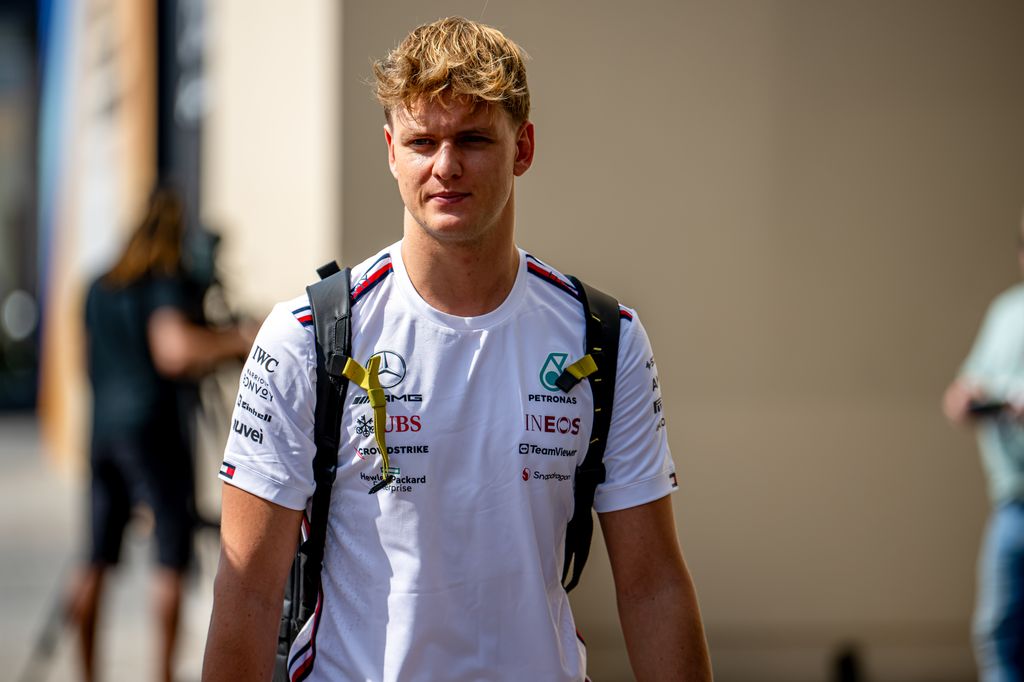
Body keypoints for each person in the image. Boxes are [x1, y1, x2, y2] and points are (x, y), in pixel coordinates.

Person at [203, 17, 712, 681]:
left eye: (473, 139)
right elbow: (248, 590)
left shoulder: (604, 338)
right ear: (391, 151)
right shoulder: (308, 338)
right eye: (422, 142)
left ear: (522, 148)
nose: (446, 165)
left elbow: (652, 586)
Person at [67, 186, 256, 682]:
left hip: (103, 430)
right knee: (170, 552)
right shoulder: (164, 281)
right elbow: (173, 349)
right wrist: (238, 339)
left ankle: (85, 672)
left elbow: (82, 359)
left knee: (96, 556)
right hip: (152, 428)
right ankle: (164, 674)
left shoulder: (98, 285)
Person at [943, 217, 1024, 682]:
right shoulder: (1007, 313)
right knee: (998, 634)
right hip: (1012, 504)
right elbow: (957, 399)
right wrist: (975, 399)